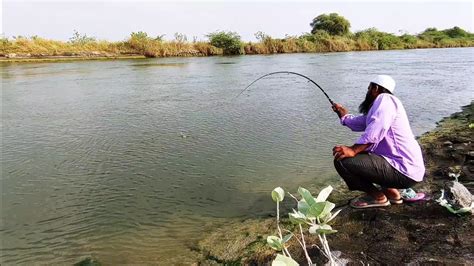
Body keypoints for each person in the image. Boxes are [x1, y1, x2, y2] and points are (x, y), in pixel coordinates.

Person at [332, 75, 425, 208]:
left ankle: (378, 197)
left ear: (375, 88)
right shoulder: (384, 105)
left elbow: (375, 132)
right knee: (367, 156)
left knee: (342, 160)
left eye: (369, 88)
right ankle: (393, 194)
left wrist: (353, 150)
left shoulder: (385, 99)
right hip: (408, 171)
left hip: (403, 171)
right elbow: (361, 122)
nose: (367, 92)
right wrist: (344, 115)